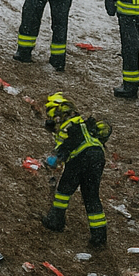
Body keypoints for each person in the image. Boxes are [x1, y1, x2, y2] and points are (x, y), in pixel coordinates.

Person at [40, 92, 110, 249]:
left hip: (79, 158)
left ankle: (55, 221)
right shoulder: (84, 122)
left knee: (63, 192)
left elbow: (60, 154)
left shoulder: (65, 128)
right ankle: (99, 238)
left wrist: (49, 162)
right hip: (98, 156)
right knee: (91, 196)